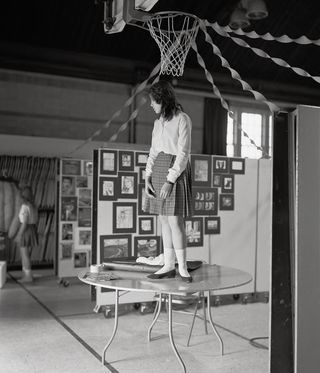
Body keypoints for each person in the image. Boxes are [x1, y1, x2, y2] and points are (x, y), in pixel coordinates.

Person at [143, 80, 193, 282]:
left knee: (175, 220)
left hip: (175, 170)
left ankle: (182, 267)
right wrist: (147, 177)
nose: (151, 105)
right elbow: (153, 151)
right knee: (163, 219)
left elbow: (183, 153)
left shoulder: (182, 119)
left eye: (153, 101)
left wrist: (170, 180)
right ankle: (168, 264)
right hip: (158, 169)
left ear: (162, 100)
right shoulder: (157, 123)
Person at [15, 186, 38, 282]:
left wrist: (19, 235)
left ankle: (28, 276)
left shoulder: (25, 206)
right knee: (26, 254)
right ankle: (27, 274)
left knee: (24, 254)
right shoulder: (33, 206)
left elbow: (24, 222)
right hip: (32, 229)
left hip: (26, 230)